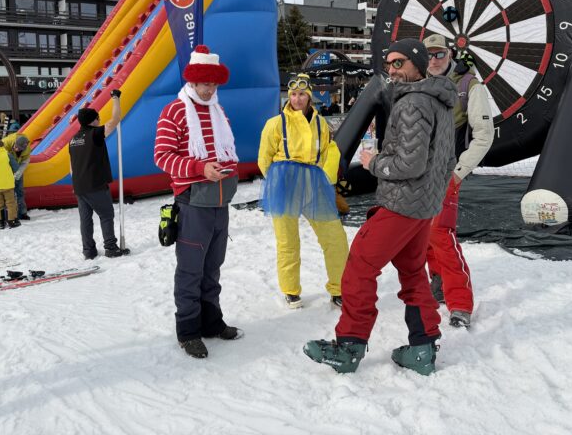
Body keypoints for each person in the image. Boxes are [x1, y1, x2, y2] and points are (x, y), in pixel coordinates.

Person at [304, 38, 457, 376]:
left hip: (401, 203)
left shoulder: (413, 103)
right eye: (389, 63)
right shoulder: (441, 101)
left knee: (359, 266)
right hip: (422, 206)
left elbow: (410, 165)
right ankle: (423, 346)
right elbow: (447, 160)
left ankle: (349, 345)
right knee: (413, 272)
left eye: (399, 63)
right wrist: (431, 195)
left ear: (417, 65)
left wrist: (374, 163)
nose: (392, 69)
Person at [153, 45, 242, 359]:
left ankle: (211, 321)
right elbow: (162, 157)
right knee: (190, 270)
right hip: (192, 202)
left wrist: (228, 170)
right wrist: (200, 169)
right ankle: (188, 330)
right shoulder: (174, 111)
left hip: (220, 203)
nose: (209, 89)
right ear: (192, 81)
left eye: (214, 83)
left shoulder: (218, 110)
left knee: (212, 268)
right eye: (205, 83)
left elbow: (226, 152)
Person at [257, 73, 349, 309]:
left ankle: (339, 288)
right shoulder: (275, 124)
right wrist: (277, 181)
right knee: (288, 241)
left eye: (302, 94)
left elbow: (331, 151)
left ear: (309, 97)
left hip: (314, 184)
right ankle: (290, 290)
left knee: (334, 237)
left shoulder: (321, 123)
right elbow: (264, 159)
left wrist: (327, 178)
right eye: (294, 94)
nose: (297, 99)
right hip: (285, 185)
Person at [423, 34, 494, 328]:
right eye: (429, 55)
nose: (434, 60)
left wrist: (459, 172)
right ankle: (438, 282)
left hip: (447, 171)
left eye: (440, 54)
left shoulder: (469, 86)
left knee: (441, 233)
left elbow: (484, 134)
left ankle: (460, 304)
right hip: (419, 173)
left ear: (450, 53)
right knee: (422, 234)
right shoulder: (419, 83)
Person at [68, 91, 130, 260]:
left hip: (80, 186)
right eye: (97, 118)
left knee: (86, 220)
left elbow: (71, 164)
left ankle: (89, 251)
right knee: (106, 215)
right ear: (92, 120)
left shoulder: (73, 139)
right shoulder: (94, 134)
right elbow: (115, 119)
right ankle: (110, 247)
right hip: (95, 184)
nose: (100, 121)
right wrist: (116, 99)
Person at [2, 129, 31, 221]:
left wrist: (18, 173)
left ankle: (22, 213)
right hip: (5, 168)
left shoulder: (26, 149)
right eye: (15, 147)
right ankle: (6, 214)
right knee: (7, 192)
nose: (16, 149)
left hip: (17, 168)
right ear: (14, 143)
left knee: (20, 191)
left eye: (19, 149)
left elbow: (25, 162)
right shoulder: (5, 142)